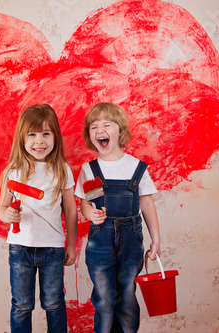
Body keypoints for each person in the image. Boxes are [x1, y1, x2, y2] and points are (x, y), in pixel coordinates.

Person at [74, 102, 161, 333]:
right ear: (89, 135)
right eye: (93, 127)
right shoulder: (90, 170)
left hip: (131, 241)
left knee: (127, 297)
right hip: (100, 242)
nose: (99, 130)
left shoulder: (135, 167)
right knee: (104, 298)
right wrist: (90, 214)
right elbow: (85, 203)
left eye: (106, 124)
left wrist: (156, 240)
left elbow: (146, 204)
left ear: (120, 131)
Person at [0, 104, 77, 333]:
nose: (39, 141)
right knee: (22, 305)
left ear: (55, 137)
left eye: (46, 134)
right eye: (32, 134)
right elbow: (1, 208)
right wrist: (7, 214)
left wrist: (71, 245)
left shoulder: (62, 169)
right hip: (20, 249)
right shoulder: (13, 171)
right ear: (22, 138)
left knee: (53, 303)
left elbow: (70, 210)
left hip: (52, 250)